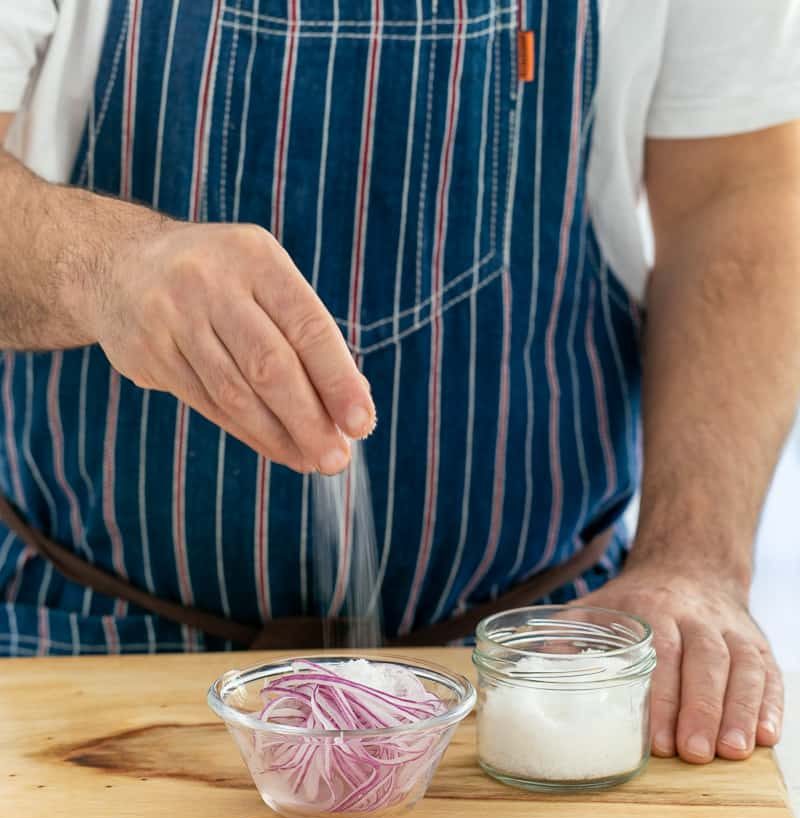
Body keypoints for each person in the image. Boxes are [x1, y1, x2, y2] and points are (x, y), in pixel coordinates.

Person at [0, 1, 798, 766]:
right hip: (85, 655)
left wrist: (692, 559)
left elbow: (739, 191)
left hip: (541, 673)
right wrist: (109, 267)